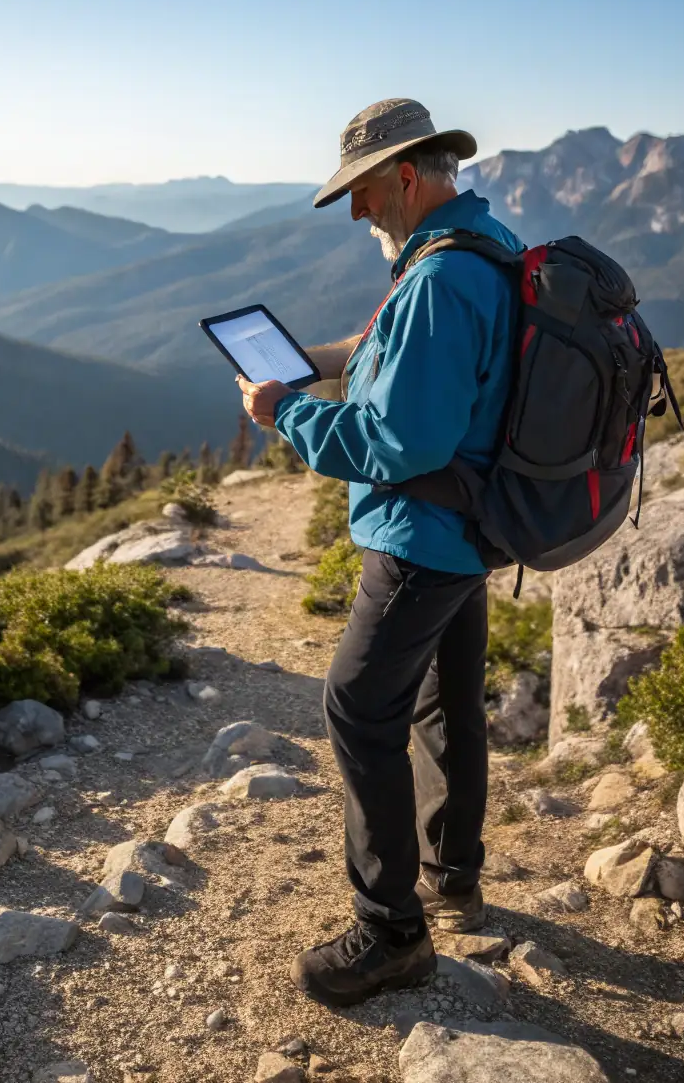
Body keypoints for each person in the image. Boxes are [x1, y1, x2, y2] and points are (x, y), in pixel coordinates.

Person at [236, 98, 524, 1008]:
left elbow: (402, 441)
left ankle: (390, 931)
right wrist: (303, 365)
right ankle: (453, 870)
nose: (356, 213)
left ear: (404, 176)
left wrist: (283, 412)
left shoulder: (439, 277)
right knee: (447, 700)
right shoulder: (479, 244)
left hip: (422, 537)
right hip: (472, 528)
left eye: (361, 192)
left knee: (359, 707)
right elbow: (387, 353)